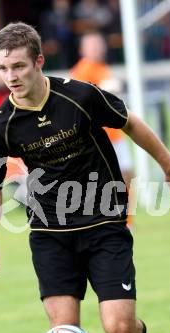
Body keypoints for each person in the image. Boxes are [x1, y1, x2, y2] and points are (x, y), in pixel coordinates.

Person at [0, 22, 170, 333]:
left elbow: (130, 123)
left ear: (39, 61)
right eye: (3, 69)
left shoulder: (79, 96)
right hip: (50, 234)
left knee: (119, 327)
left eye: (19, 67)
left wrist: (168, 164)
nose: (10, 76)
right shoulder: (1, 126)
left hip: (104, 224)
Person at [70, 32, 135, 228]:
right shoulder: (81, 72)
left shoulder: (102, 68)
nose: (97, 48)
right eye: (92, 45)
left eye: (99, 44)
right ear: (82, 50)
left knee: (126, 174)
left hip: (114, 133)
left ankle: (126, 219)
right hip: (98, 135)